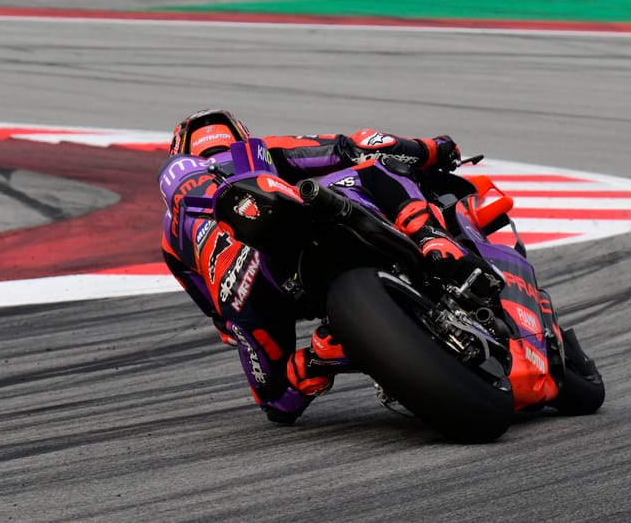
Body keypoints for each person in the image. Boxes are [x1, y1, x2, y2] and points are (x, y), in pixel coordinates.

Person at [158, 109, 473, 425]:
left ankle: (317, 360)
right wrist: (434, 149)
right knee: (376, 168)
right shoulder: (260, 150)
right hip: (294, 225)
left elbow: (219, 321)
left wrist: (239, 318)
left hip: (242, 294)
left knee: (278, 400)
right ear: (240, 135)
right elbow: (361, 145)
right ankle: (432, 239)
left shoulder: (170, 240)